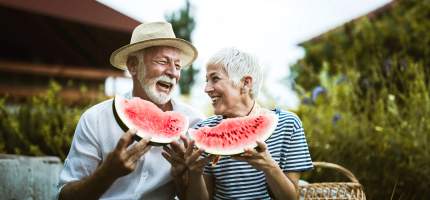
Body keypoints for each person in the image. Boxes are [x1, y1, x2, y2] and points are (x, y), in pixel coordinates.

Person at [57, 22, 204, 200]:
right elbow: (64, 196)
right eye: (162, 61)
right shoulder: (95, 119)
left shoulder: (194, 123)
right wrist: (107, 173)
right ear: (133, 65)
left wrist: (184, 178)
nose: (173, 72)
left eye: (178, 66)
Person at [164, 47, 313, 200]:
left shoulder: (288, 124)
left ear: (245, 83)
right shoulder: (203, 130)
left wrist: (269, 166)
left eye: (215, 78)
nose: (207, 89)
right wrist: (194, 173)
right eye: (206, 80)